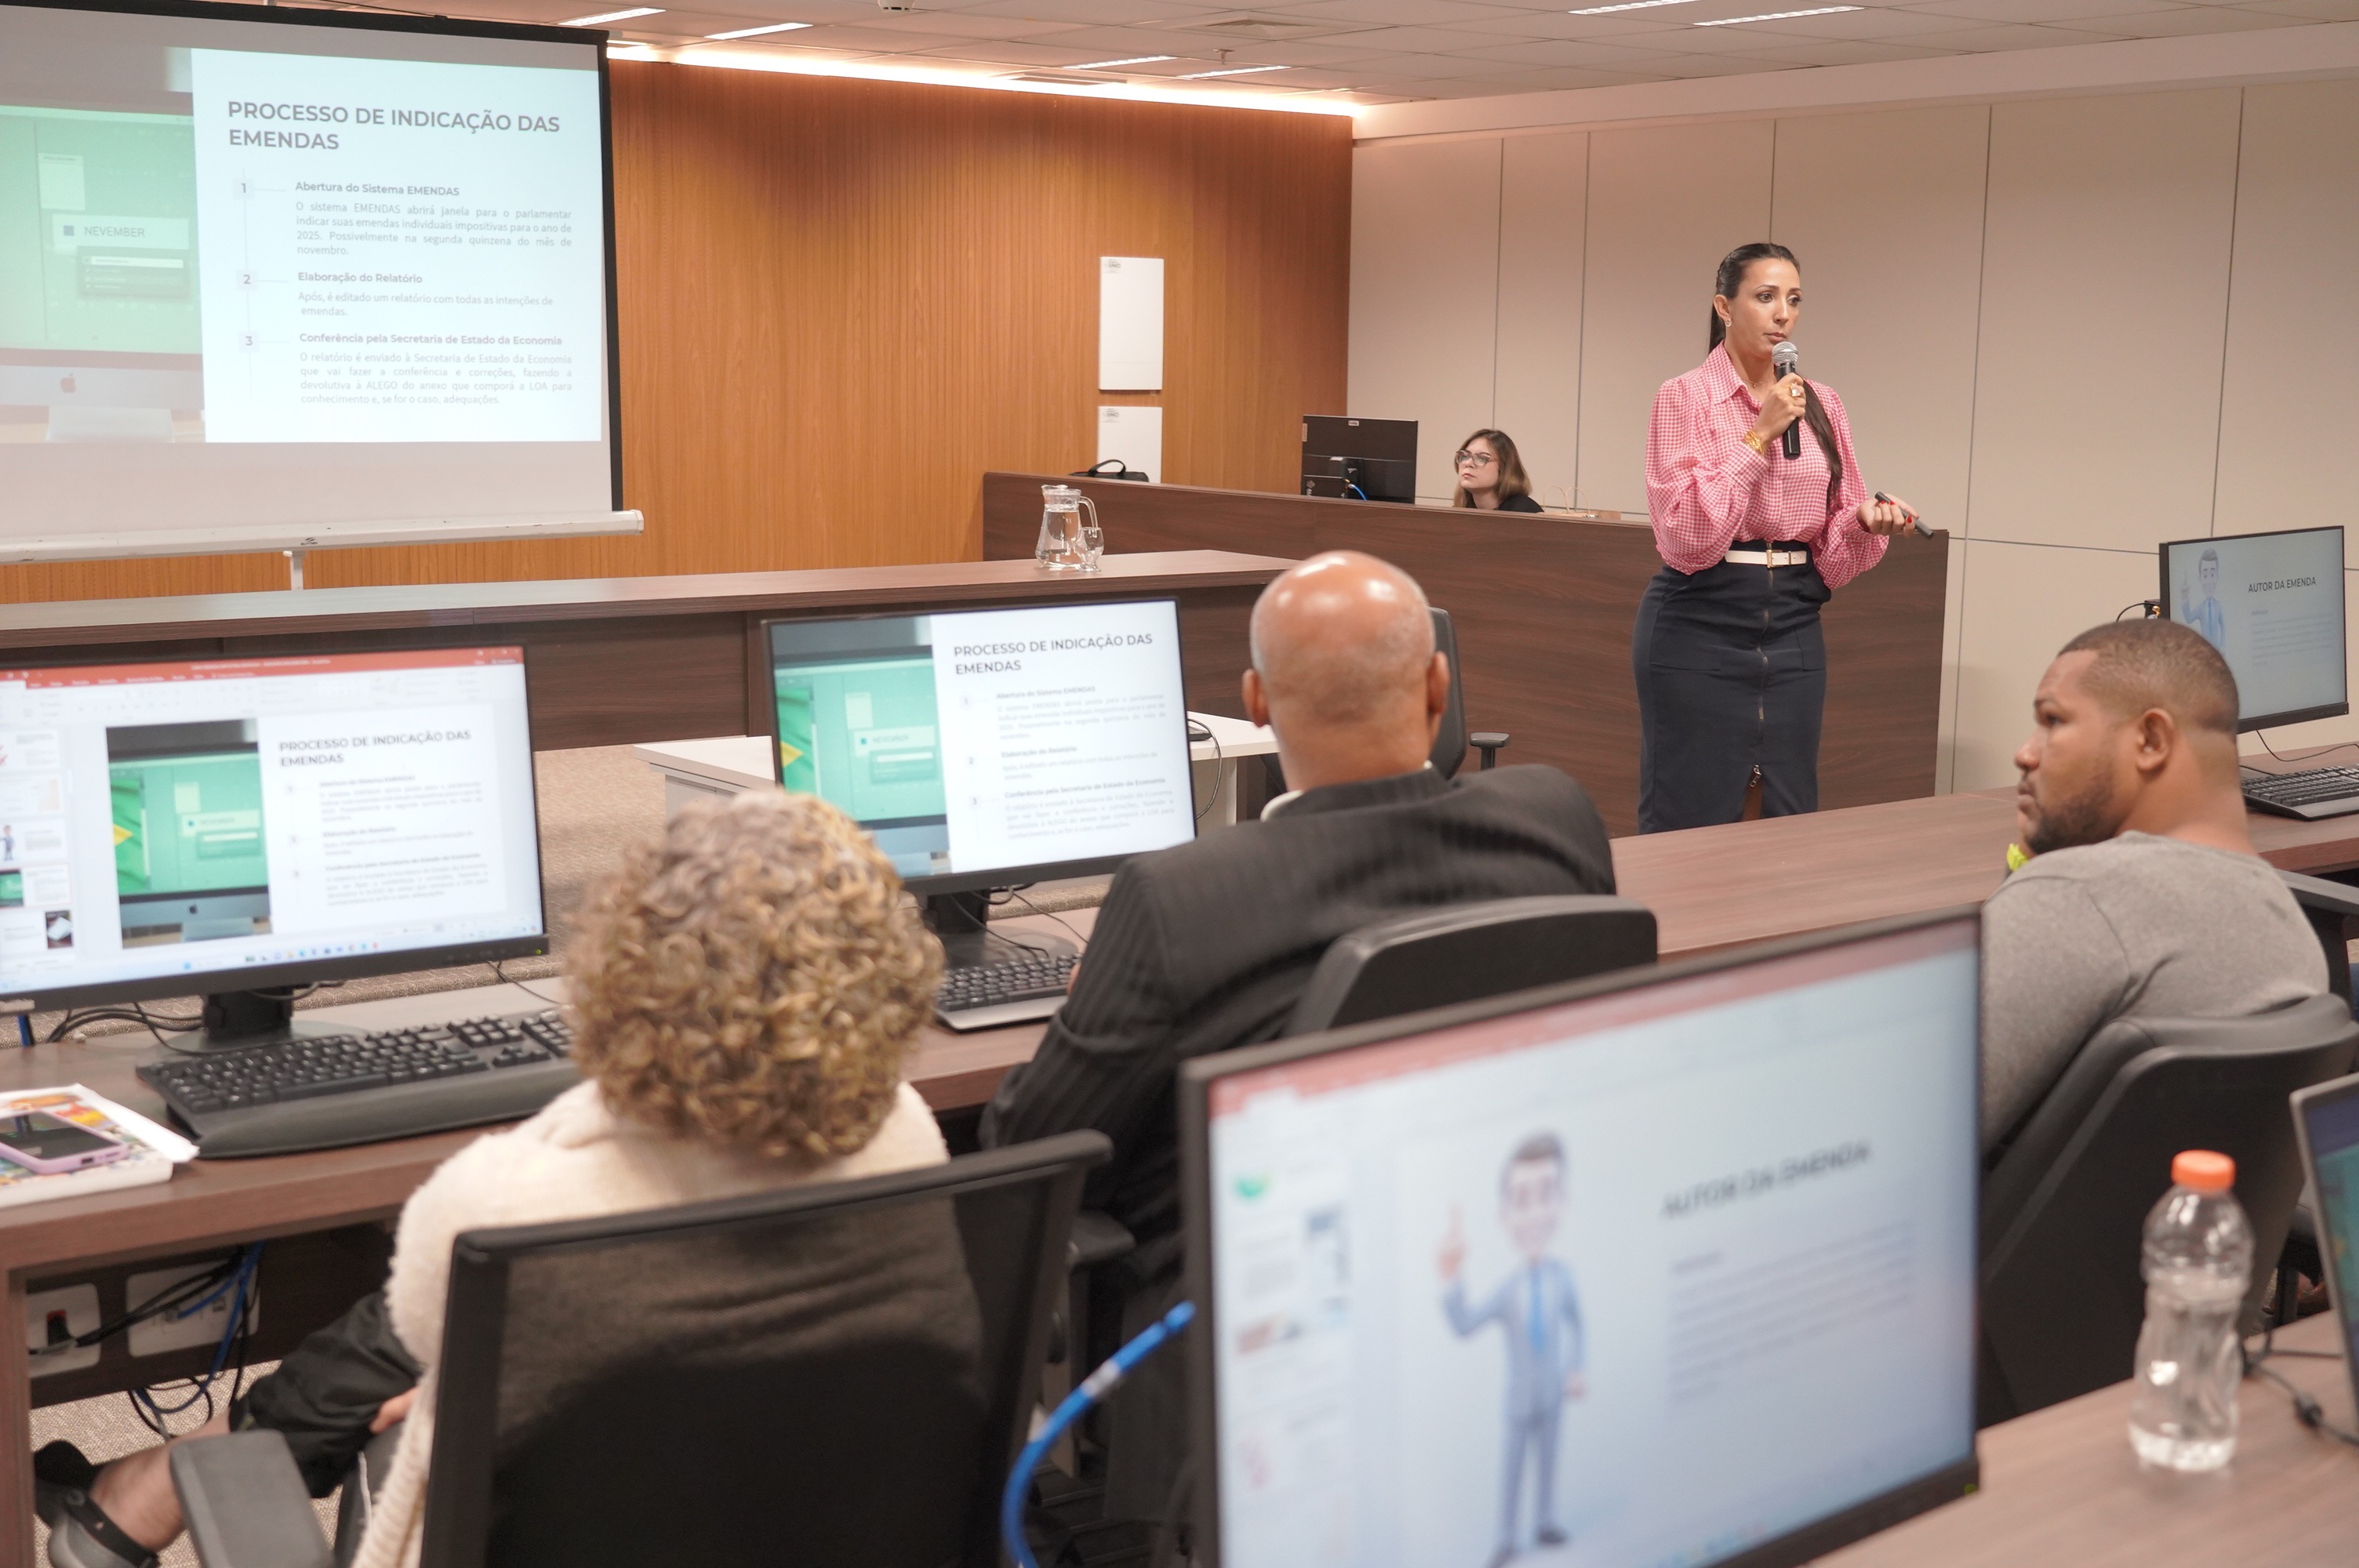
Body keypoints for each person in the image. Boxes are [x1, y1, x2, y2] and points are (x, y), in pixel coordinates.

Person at [35, 792, 961, 1568]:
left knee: (408, 1352)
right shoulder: (910, 1135)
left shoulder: (502, 1198)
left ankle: (160, 1480)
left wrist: (462, 1399)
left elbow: (410, 1353)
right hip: (814, 1521)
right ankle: (153, 1482)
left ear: (623, 977)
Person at [980, 549, 1616, 1520]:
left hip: (1258, 1352)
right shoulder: (1556, 819)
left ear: (1255, 702)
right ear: (1438, 685)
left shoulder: (1181, 897)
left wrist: (1094, 1004)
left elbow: (1033, 1155)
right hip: (1484, 1286)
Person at [1983, 618, 2327, 1152]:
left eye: (2053, 721)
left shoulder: (2079, 899)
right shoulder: (2288, 926)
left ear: (2151, 740)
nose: (2025, 754)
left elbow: (1909, 1131)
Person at [1634, 241, 1917, 833]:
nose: (1783, 314)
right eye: (1765, 297)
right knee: (1691, 810)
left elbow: (1830, 557)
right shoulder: (1683, 397)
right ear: (1724, 307)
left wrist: (1864, 521)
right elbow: (1685, 537)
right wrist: (1759, 437)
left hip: (1792, 627)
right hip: (1699, 623)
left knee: (1786, 815)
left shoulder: (1823, 403)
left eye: (1794, 299)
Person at [1439, 1132, 1587, 1568]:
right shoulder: (1507, 1291)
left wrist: (1577, 1368)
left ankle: (1545, 1522)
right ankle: (1506, 1538)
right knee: (1513, 1470)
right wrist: (1451, 1277)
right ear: (1504, 1215)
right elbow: (1465, 1325)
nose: (1536, 1213)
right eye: (1523, 1200)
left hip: (1553, 1395)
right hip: (1519, 1402)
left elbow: (1578, 1325)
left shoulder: (1563, 1278)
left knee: (1549, 1463)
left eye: (1547, 1195)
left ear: (1563, 1201)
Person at [1452, 429, 1543, 513]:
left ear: (1504, 468)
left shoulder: (1525, 511)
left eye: (1482, 458)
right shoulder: (1460, 509)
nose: (1468, 463)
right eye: (1465, 456)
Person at [2179, 546, 2228, 651]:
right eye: (2205, 576)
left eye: (2212, 575)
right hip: (2205, 651)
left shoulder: (2218, 606)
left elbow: (2223, 627)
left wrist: (2223, 646)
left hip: (2217, 651)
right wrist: (2184, 597)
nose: (2209, 581)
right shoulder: (2200, 608)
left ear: (2217, 576)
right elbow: (2189, 618)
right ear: (2200, 578)